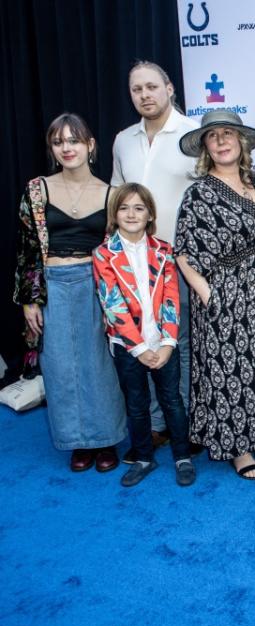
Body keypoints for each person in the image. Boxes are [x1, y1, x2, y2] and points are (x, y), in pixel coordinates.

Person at [14, 113, 126, 472]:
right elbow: (27, 248)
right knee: (59, 366)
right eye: (59, 142)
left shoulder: (111, 194)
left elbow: (116, 252)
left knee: (99, 365)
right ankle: (77, 442)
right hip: (52, 286)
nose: (67, 148)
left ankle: (106, 438)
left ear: (90, 145)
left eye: (74, 140)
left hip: (95, 285)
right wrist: (30, 299)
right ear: (52, 148)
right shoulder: (37, 190)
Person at [175, 109, 255, 480]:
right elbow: (184, 252)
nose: (221, 140)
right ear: (205, 146)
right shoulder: (199, 192)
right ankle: (237, 447)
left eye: (227, 133)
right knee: (227, 367)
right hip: (223, 291)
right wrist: (208, 295)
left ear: (241, 141)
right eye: (213, 135)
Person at [111, 60, 198, 458]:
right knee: (138, 341)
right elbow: (115, 198)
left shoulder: (193, 135)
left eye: (151, 87)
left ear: (169, 88)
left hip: (177, 262)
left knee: (176, 343)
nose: (144, 95)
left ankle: (181, 422)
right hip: (130, 263)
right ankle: (156, 425)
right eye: (136, 89)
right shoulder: (122, 140)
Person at [92, 183, 195, 487]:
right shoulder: (102, 254)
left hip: (163, 343)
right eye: (124, 208)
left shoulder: (163, 250)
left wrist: (166, 343)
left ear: (150, 214)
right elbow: (113, 305)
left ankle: (182, 456)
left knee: (172, 400)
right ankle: (144, 458)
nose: (131, 213)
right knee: (136, 403)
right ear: (114, 214)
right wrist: (137, 347)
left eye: (139, 207)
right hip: (127, 347)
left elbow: (171, 298)